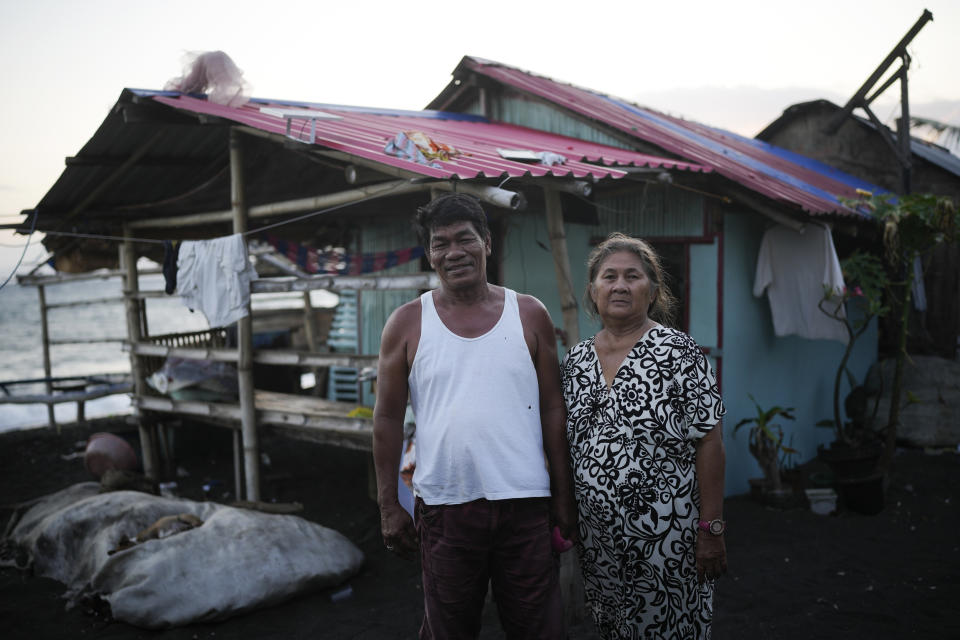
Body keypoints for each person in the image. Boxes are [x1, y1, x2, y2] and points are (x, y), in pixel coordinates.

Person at [372, 193, 578, 639]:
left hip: (525, 504)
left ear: (487, 242)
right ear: (429, 254)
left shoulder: (530, 314)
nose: (454, 252)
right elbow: (387, 418)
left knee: (539, 628)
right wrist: (389, 504)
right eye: (440, 243)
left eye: (464, 238)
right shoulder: (407, 323)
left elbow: (552, 407)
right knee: (449, 630)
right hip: (445, 506)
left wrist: (563, 496)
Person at [560, 232, 727, 639]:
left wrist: (712, 528)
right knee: (614, 630)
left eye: (632, 276)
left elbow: (710, 441)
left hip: (669, 541)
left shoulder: (679, 353)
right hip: (598, 544)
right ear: (592, 290)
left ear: (652, 291)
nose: (619, 285)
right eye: (609, 276)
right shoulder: (576, 360)